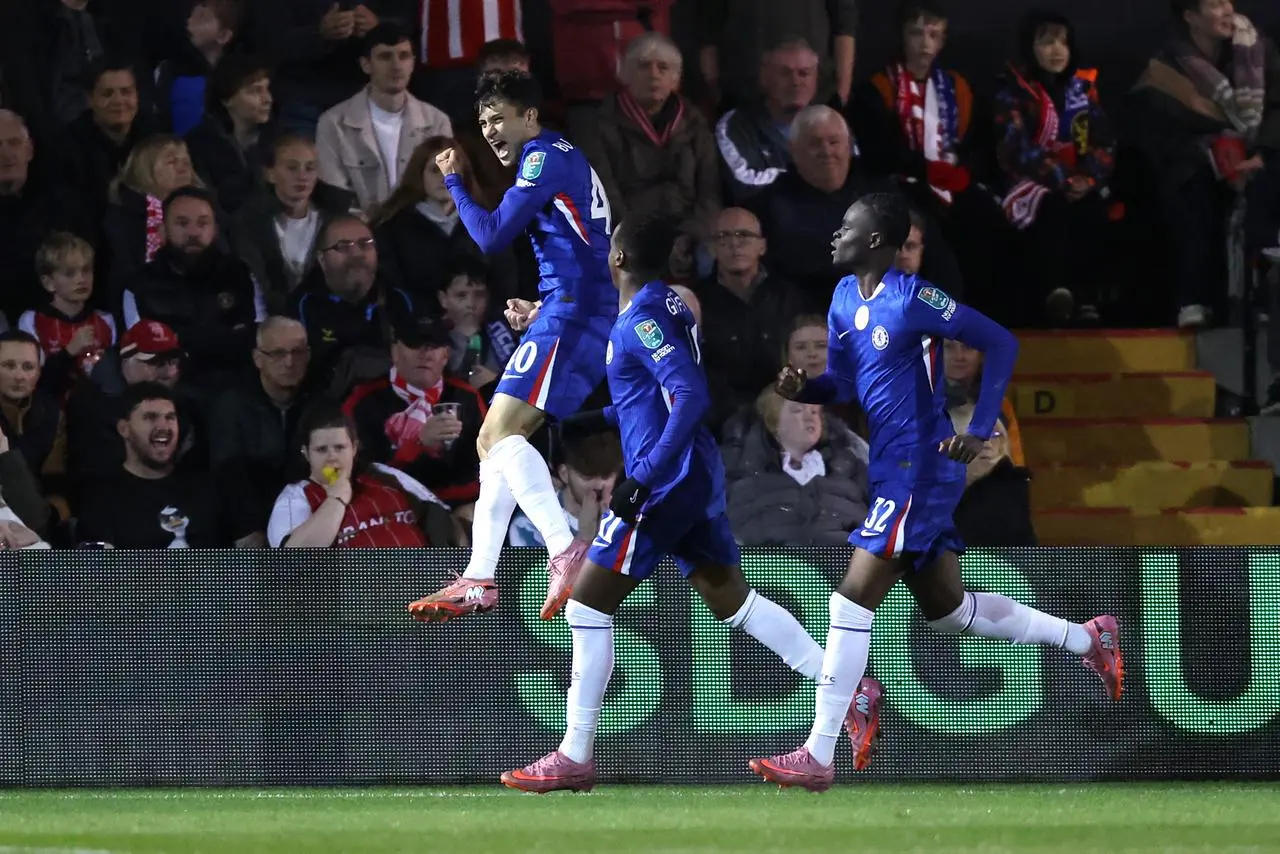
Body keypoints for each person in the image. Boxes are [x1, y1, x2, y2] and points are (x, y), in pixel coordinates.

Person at [747, 193, 1123, 792]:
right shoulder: (843, 297)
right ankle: (1086, 637)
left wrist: (980, 428)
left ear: (876, 241)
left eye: (847, 226)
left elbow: (1001, 341)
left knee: (849, 602)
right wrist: (806, 388)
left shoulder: (913, 298)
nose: (836, 234)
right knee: (949, 611)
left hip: (922, 466)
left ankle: (819, 752)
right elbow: (843, 382)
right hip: (890, 468)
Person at [498, 214, 877, 794]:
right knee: (735, 601)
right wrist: (583, 421)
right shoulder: (664, 306)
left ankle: (574, 755)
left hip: (666, 481)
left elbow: (689, 395)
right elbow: (645, 394)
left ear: (618, 259)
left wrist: (644, 476)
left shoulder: (644, 319)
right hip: (692, 473)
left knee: (586, 608)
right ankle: (848, 688)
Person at [406, 71, 617, 622]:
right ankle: (479, 576)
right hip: (570, 310)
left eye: (500, 118)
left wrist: (455, 183)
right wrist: (545, 305)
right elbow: (582, 248)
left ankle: (563, 547)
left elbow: (492, 235)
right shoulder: (559, 156)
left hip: (575, 316)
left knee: (499, 435)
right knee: (493, 442)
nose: (491, 131)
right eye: (483, 123)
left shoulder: (542, 157)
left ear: (530, 116)